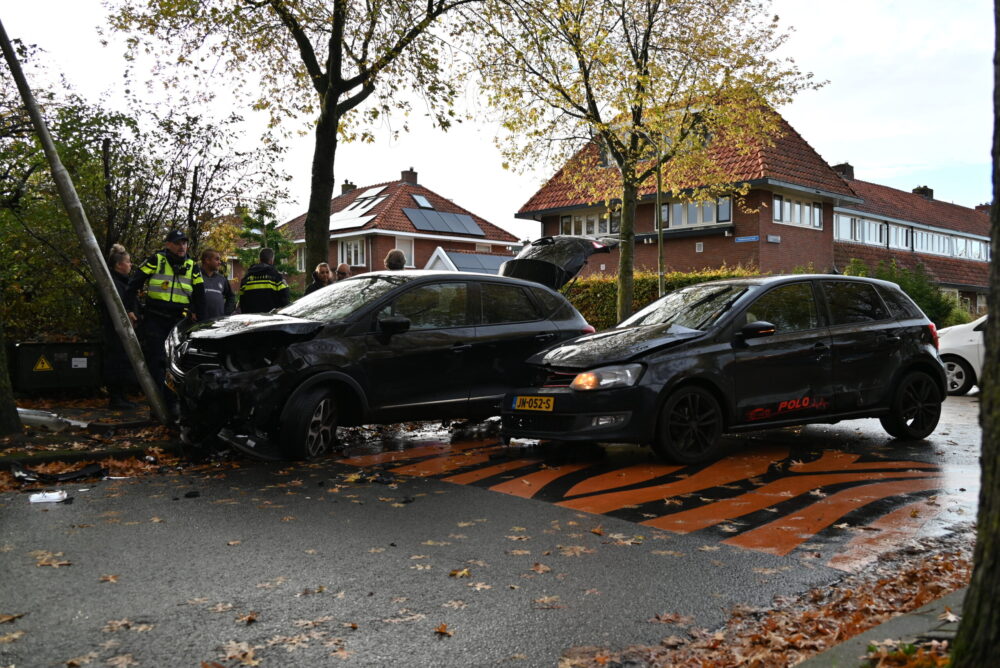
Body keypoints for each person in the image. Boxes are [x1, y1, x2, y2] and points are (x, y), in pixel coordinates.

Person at [125, 230, 204, 413]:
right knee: (157, 360)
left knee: (176, 362)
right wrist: (129, 309)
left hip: (178, 321)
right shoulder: (157, 260)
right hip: (155, 318)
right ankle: (159, 403)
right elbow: (133, 284)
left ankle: (173, 403)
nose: (181, 246)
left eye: (184, 243)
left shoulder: (193, 266)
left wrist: (198, 315)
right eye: (177, 243)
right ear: (168, 244)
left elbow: (200, 295)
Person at [102, 244, 138, 409]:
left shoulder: (123, 283)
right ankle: (116, 398)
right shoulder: (115, 284)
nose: (130, 265)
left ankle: (121, 397)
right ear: (119, 265)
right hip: (116, 332)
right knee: (117, 363)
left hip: (123, 331)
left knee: (123, 363)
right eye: (128, 262)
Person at [238, 247, 290, 313]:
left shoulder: (247, 277)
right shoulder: (276, 277)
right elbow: (285, 300)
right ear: (271, 260)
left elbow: (242, 302)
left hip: (251, 320)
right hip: (271, 320)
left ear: (259, 260)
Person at [199, 248, 236, 320]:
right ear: (207, 260)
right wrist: (192, 311)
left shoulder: (222, 279)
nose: (220, 262)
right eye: (217, 259)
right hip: (198, 324)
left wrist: (226, 313)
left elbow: (231, 297)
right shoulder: (196, 276)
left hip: (218, 324)